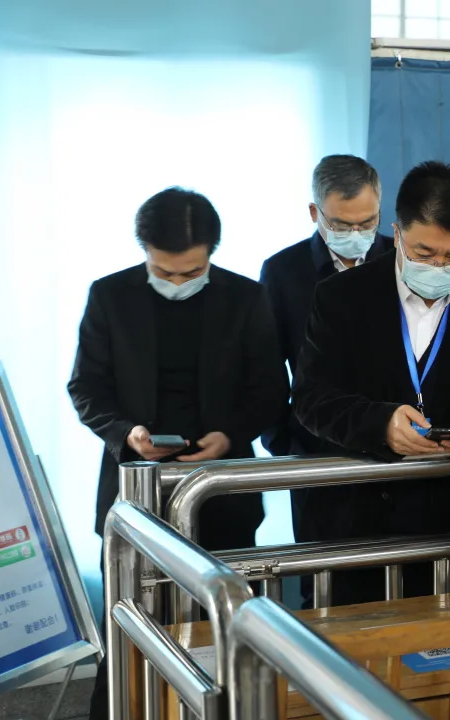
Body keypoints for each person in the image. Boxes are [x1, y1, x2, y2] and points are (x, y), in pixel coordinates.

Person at [68, 187, 288, 720]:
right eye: (164, 272)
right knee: (129, 625)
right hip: (135, 489)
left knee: (222, 632)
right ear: (143, 250)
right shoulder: (110, 295)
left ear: (212, 252)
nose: (177, 282)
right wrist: (127, 433)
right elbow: (86, 388)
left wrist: (230, 435)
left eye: (192, 272)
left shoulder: (245, 297)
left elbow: (270, 389)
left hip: (221, 490)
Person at [292, 161, 450, 604]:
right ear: (397, 233)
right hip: (360, 524)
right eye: (424, 253)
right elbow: (311, 397)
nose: (439, 266)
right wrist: (380, 423)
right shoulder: (341, 297)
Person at [259, 155, 394, 552]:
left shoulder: (402, 262)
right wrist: (286, 445)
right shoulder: (283, 271)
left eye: (367, 222)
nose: (356, 233)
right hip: (316, 455)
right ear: (314, 212)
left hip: (395, 447)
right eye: (341, 224)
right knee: (322, 573)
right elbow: (267, 368)